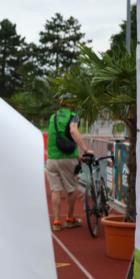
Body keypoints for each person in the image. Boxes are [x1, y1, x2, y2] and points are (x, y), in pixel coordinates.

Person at [46, 95, 93, 231]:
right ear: (73, 105)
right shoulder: (74, 116)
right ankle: (70, 219)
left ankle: (56, 221)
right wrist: (85, 149)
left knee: (55, 189)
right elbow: (73, 130)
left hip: (51, 159)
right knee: (72, 189)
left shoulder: (52, 117)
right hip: (67, 159)